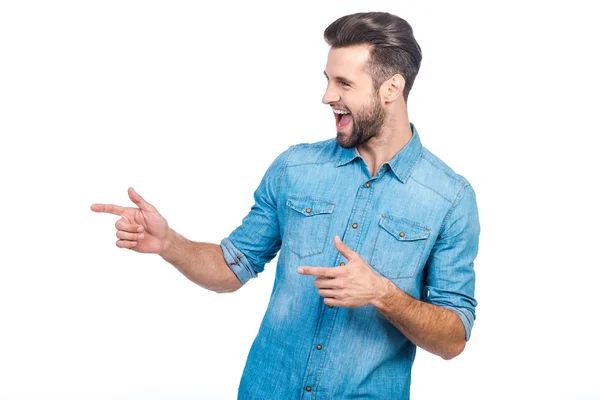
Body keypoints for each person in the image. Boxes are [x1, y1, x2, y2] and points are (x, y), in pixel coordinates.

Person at [91, 11, 480, 399]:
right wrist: (168, 244)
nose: (328, 96)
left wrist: (382, 293)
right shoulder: (295, 168)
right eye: (328, 81)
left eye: (344, 83)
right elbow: (233, 266)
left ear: (391, 88)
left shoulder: (450, 198)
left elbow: (453, 339)